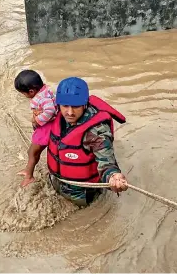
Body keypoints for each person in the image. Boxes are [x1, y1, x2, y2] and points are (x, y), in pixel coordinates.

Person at [46, 77, 129, 207]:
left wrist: (113, 177)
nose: (70, 112)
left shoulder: (97, 131)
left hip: (81, 194)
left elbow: (107, 161)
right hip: (56, 180)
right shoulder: (56, 113)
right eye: (65, 106)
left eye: (76, 106)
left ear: (85, 104)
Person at [14, 69, 57, 187]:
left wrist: (37, 121)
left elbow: (50, 110)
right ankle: (28, 170)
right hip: (47, 126)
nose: (24, 96)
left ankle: (29, 177)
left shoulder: (43, 98)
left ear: (31, 91)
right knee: (32, 152)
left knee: (32, 152)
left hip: (46, 129)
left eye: (24, 93)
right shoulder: (44, 91)